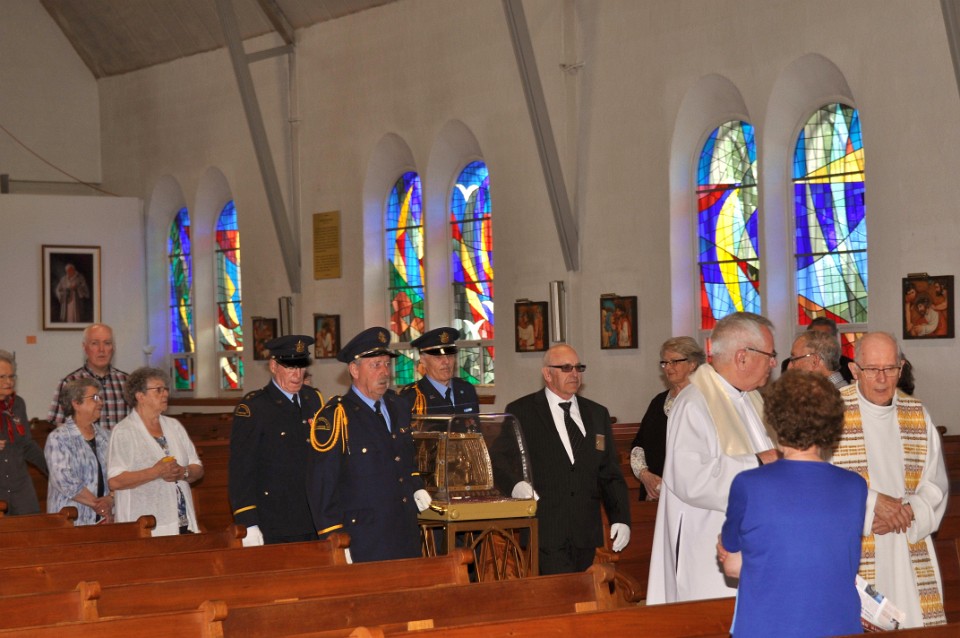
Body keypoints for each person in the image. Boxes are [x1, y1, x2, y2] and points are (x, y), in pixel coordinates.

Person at [717, 370, 866, 637]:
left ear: (775, 419)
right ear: (831, 423)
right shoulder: (854, 486)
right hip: (837, 625)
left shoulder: (749, 484)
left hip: (769, 627)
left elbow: (731, 563)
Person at [647, 311, 780, 604]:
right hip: (709, 552)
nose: (773, 363)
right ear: (742, 357)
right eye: (770, 355)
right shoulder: (694, 402)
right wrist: (758, 462)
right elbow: (689, 479)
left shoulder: (751, 398)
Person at [829, 332, 949, 628]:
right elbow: (819, 478)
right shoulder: (830, 413)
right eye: (872, 369)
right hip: (856, 547)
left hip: (908, 543)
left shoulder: (917, 414)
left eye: (890, 368)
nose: (882, 379)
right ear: (854, 370)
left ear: (901, 368)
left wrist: (908, 511)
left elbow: (936, 483)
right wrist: (870, 508)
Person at [307, 327, 432, 562]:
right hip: (363, 539)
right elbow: (323, 487)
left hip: (404, 532)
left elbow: (404, 459)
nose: (384, 372)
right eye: (375, 365)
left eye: (386, 364)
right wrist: (335, 541)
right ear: (354, 370)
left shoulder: (398, 405)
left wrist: (416, 485)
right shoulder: (337, 416)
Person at [504, 344, 631, 575]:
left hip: (585, 531)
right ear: (547, 373)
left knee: (584, 593)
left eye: (578, 367)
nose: (574, 373)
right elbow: (499, 459)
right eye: (565, 368)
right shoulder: (522, 411)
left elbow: (609, 472)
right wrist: (516, 484)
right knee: (559, 593)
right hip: (546, 529)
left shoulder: (597, 413)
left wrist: (620, 518)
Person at [229, 335, 324, 545]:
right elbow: (241, 470)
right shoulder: (254, 407)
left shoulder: (313, 399)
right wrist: (248, 522)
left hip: (313, 516)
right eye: (290, 367)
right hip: (275, 518)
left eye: (301, 367)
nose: (297, 374)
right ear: (273, 366)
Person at [107, 367, 203, 536]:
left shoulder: (174, 426)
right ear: (140, 396)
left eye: (165, 389)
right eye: (158, 390)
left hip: (182, 521)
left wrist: (183, 472)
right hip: (145, 524)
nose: (165, 394)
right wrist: (156, 472)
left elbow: (198, 468)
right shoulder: (124, 431)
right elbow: (115, 481)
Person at [630, 337, 705, 501]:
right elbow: (638, 445)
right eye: (665, 363)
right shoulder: (658, 402)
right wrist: (645, 475)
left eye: (674, 362)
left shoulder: (705, 401)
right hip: (654, 493)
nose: (668, 367)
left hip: (692, 494)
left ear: (692, 364)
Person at [45, 378, 113, 525]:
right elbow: (65, 481)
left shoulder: (107, 437)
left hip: (106, 520)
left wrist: (110, 500)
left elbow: (117, 476)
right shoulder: (59, 438)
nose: (101, 403)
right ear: (76, 403)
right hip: (70, 520)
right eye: (94, 398)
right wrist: (100, 506)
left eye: (100, 398)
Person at [48, 323, 129, 430]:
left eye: (107, 343)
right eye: (95, 343)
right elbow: (62, 429)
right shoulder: (69, 383)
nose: (101, 349)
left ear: (113, 348)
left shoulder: (127, 382)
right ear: (84, 347)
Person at [0, 350, 48, 515]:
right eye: (2, 377)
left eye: (11, 376)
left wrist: (53, 471)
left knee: (32, 527)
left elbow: (26, 444)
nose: (9, 382)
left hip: (21, 488)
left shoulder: (18, 404)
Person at [400, 327, 480, 415]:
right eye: (438, 357)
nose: (446, 361)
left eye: (450, 355)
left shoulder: (467, 390)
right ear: (423, 360)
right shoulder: (412, 397)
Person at [808, 316, 854, 383]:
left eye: (825, 337)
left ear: (834, 339)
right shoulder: (799, 365)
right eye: (815, 337)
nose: (820, 342)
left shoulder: (849, 367)